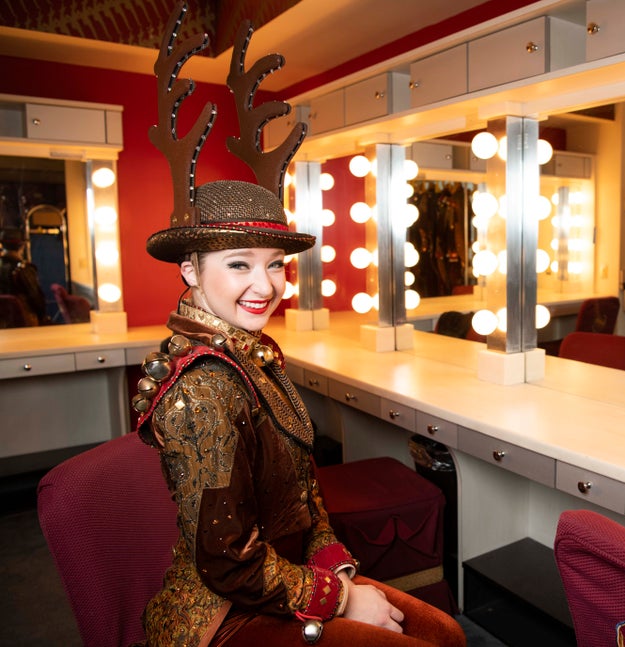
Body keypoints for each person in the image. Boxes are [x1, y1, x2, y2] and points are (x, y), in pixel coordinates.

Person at [129, 6, 466, 646]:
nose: (267, 286)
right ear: (190, 273)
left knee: (440, 630)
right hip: (228, 611)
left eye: (276, 265)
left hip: (284, 573)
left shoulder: (253, 355)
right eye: (239, 265)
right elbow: (226, 560)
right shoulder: (203, 386)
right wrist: (341, 598)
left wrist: (336, 568)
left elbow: (305, 499)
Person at [0, 228, 48, 326]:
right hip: (25, 322)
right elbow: (36, 299)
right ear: (22, 246)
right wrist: (43, 317)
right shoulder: (24, 269)